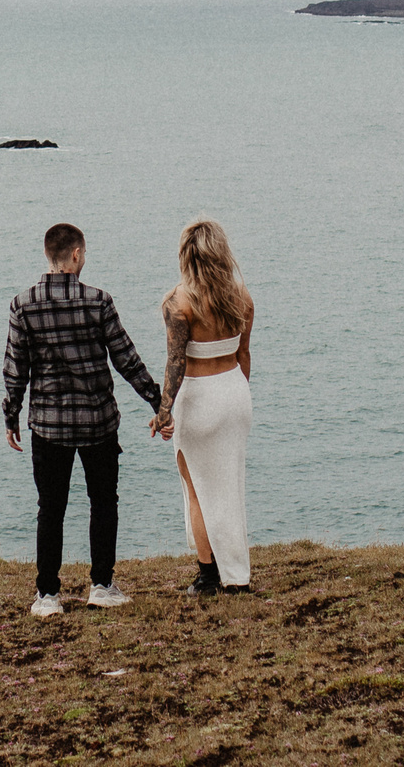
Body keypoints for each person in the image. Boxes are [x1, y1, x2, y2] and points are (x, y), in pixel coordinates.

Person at [2, 221, 163, 617]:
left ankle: (47, 595)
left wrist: (11, 414)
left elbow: (14, 368)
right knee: (103, 502)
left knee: (50, 508)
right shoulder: (98, 301)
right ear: (75, 255)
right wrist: (159, 401)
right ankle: (102, 585)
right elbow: (126, 358)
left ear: (48, 256)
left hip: (48, 425)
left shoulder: (23, 305)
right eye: (84, 253)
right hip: (98, 422)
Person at [149, 217, 255, 596]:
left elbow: (175, 364)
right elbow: (244, 355)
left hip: (199, 398)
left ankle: (208, 577)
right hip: (235, 393)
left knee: (196, 489)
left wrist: (163, 412)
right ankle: (237, 575)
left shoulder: (178, 303)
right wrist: (239, 397)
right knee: (231, 487)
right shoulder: (241, 298)